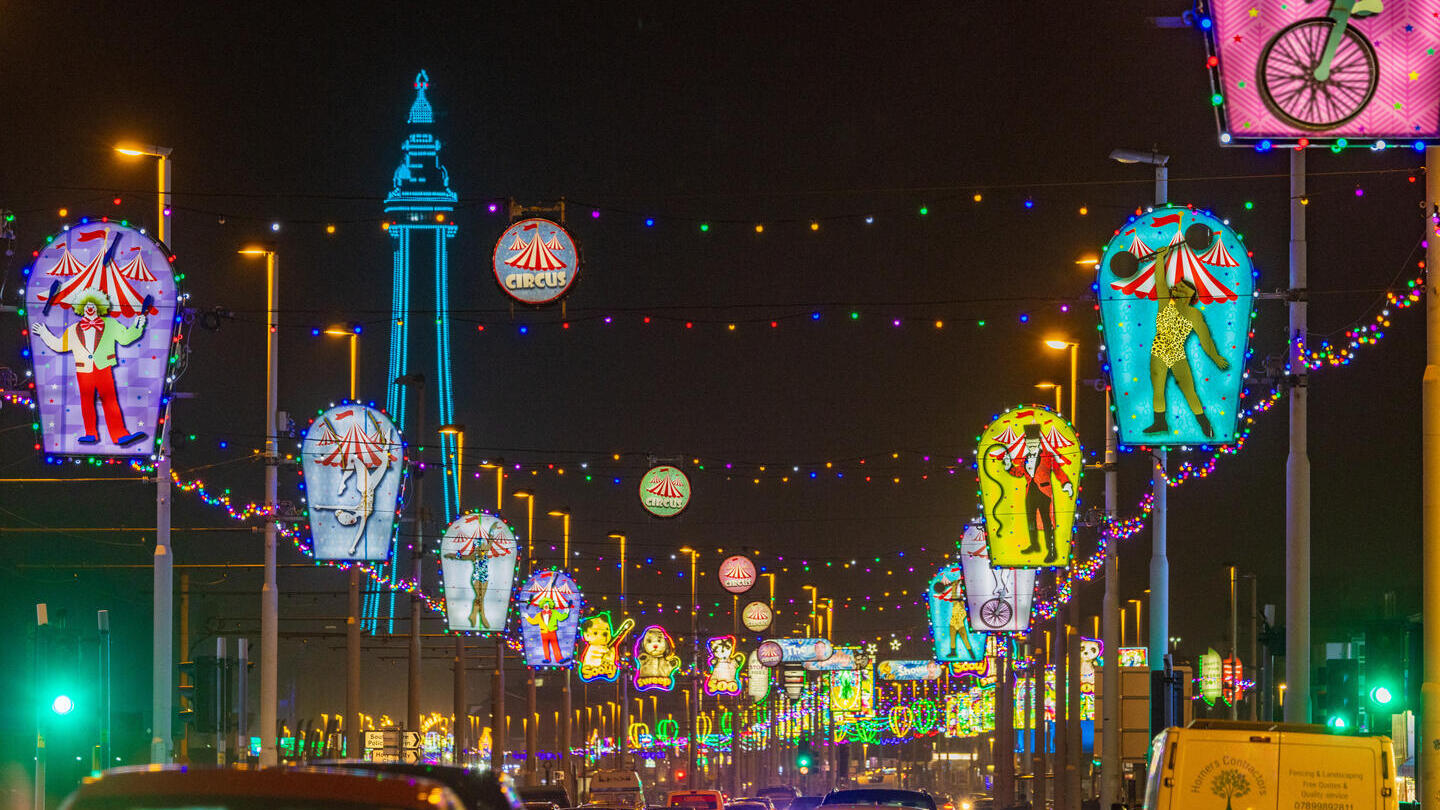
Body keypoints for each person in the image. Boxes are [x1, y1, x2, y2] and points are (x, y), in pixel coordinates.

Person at [1114, 240, 1231, 438]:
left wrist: (1216, 357)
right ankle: (1160, 422)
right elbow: (1160, 280)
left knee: (1189, 389)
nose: (1175, 287)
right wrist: (1160, 257)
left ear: (1191, 293)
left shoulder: (1194, 314)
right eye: (1176, 286)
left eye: (1181, 286)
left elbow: (1206, 339)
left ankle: (1204, 423)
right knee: (1158, 387)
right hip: (1159, 349)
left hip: (1177, 352)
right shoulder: (1165, 303)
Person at [32, 289, 148, 447]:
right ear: (81, 308)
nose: (89, 307)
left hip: (103, 368)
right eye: (86, 305)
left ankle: (120, 435)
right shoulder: (73, 329)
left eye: (93, 304)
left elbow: (126, 339)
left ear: (99, 306)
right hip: (83, 370)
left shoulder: (111, 324)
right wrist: (45, 333)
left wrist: (137, 326)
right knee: (86, 402)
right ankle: (90, 433)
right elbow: (59, 346)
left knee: (110, 401)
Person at [1001, 423, 1074, 564]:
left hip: (1044, 492)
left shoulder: (1048, 456)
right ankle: (1034, 545)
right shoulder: (1024, 458)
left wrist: (1066, 483)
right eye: (1029, 443)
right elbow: (1019, 473)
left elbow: (1058, 470)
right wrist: (1009, 466)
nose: (1031, 445)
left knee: (1047, 522)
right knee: (1030, 520)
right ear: (1026, 443)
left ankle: (1051, 551)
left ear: (1039, 442)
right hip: (1030, 492)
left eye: (1034, 443)